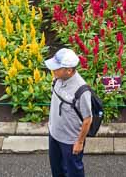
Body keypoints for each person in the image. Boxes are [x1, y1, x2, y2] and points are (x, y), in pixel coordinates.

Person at [46, 48, 92, 177]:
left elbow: (88, 119)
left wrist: (80, 142)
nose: (53, 70)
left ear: (69, 70)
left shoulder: (81, 91)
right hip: (54, 134)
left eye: (57, 68)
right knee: (57, 169)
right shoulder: (57, 79)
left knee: (73, 172)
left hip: (70, 141)